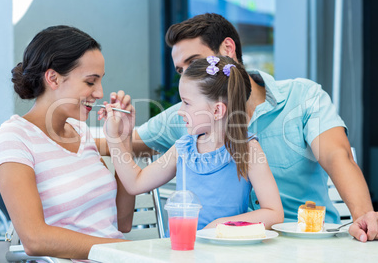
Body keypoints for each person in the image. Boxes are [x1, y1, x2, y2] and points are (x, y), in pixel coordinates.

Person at [132, 13, 378, 242]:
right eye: (181, 70)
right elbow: (118, 141)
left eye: (194, 61)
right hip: (231, 249)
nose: (189, 74)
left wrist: (364, 218)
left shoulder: (302, 96)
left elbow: (336, 155)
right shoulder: (186, 114)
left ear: (227, 49)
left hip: (306, 244)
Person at [0, 25, 135, 260]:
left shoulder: (81, 130)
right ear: (53, 78)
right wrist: (120, 251)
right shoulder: (14, 137)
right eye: (90, 82)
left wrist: (122, 140)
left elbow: (122, 221)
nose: (99, 93)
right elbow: (35, 239)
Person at [103, 55, 284, 231]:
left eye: (186, 103)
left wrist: (219, 226)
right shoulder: (183, 148)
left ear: (217, 110)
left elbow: (273, 213)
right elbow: (136, 183)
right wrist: (115, 136)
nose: (180, 111)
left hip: (225, 252)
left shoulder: (248, 149)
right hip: (182, 250)